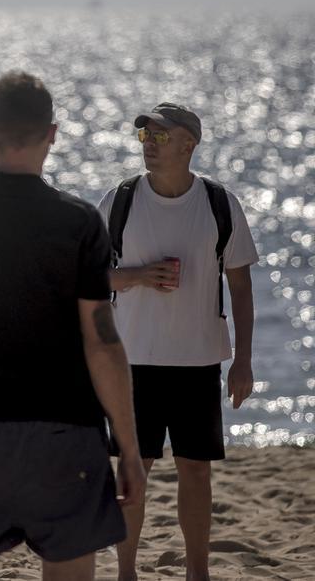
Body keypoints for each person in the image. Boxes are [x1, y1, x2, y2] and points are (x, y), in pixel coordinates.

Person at [0, 71, 146, 581]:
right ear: (52, 134)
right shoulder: (79, 221)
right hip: (68, 435)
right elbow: (102, 343)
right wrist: (128, 447)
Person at [99, 103, 258, 581]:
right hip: (133, 362)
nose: (149, 142)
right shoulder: (120, 201)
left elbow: (241, 286)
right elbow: (88, 277)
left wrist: (243, 361)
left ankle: (197, 573)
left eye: (161, 136)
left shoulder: (219, 203)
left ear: (190, 143)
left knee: (196, 473)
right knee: (133, 473)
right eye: (144, 134)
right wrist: (139, 276)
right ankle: (127, 572)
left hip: (199, 361)